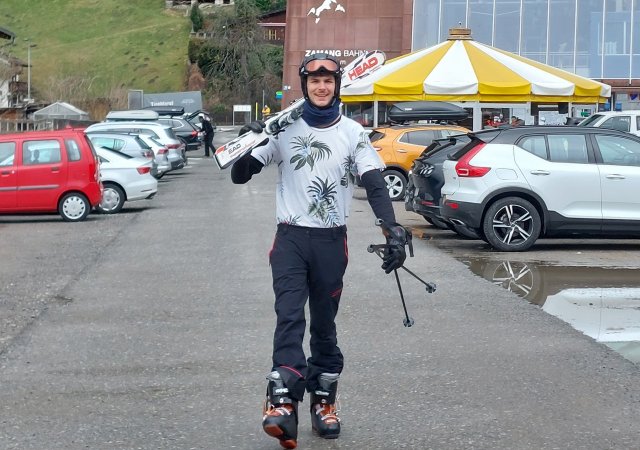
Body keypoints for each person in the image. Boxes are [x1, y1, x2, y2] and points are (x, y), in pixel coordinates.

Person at [230, 53, 409, 449]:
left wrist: (392, 228)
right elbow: (240, 176)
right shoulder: (283, 130)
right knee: (289, 316)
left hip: (331, 241)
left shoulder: (352, 132)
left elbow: (374, 183)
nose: (322, 87)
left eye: (328, 80)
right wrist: (249, 142)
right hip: (290, 239)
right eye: (315, 81)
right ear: (305, 85)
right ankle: (283, 401)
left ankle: (323, 401)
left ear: (337, 85)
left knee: (324, 326)